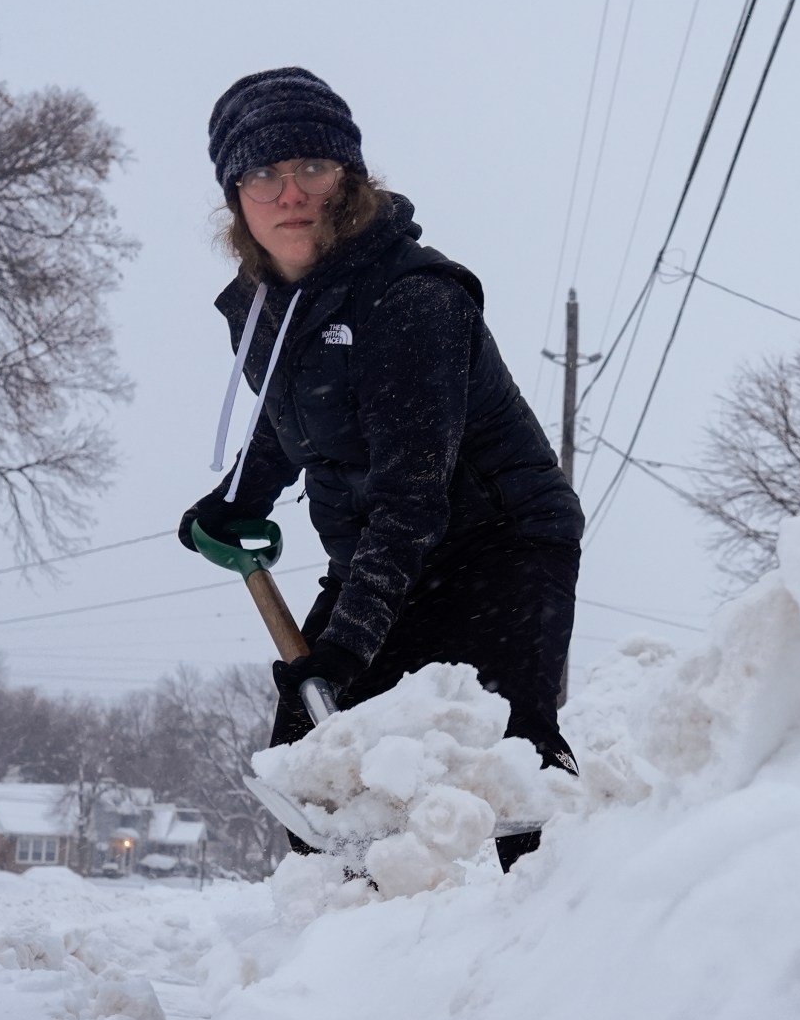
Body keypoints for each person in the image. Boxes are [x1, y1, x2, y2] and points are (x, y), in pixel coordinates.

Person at [179, 67, 585, 870]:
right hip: (385, 551)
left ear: (349, 180)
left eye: (312, 168)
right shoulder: (263, 308)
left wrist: (347, 648)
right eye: (263, 172)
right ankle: (367, 948)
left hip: (502, 541)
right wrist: (238, 498)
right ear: (236, 197)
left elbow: (411, 494)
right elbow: (289, 418)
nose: (289, 191)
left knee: (507, 757)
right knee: (311, 764)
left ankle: (565, 921)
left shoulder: (413, 300)